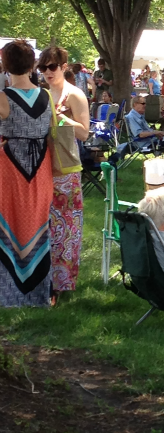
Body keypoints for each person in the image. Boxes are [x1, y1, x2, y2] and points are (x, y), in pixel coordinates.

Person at [0, 40, 54, 307]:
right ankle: (38, 294)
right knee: (38, 224)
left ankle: (8, 294)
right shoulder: (47, 96)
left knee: (7, 223)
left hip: (10, 167)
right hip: (41, 168)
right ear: (33, 64)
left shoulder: (3, 98)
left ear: (4, 64)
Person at [37, 46, 90, 302]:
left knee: (65, 228)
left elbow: (84, 132)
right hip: (40, 166)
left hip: (66, 170)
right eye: (42, 67)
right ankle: (42, 282)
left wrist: (60, 117)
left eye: (52, 67)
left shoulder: (75, 95)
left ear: (64, 67)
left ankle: (61, 286)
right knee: (43, 227)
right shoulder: (38, 93)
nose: (47, 72)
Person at [123, 95, 164, 164]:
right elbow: (140, 134)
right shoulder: (132, 117)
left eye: (145, 103)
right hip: (145, 144)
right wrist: (156, 133)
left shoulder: (140, 115)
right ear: (135, 104)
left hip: (151, 140)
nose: (145, 105)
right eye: (143, 103)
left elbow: (148, 131)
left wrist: (159, 133)